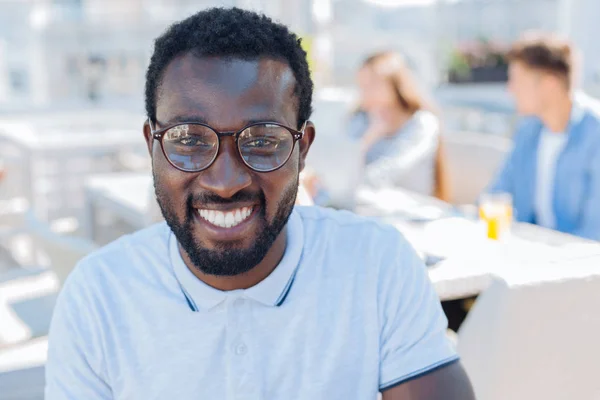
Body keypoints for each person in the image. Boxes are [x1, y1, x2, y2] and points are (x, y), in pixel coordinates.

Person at [45, 8, 474, 399]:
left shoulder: (378, 265)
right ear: (150, 146)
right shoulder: (97, 298)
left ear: (303, 149)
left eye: (263, 140)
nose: (226, 181)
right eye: (189, 139)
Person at [488, 33, 600, 240]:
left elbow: (595, 233)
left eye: (517, 80)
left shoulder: (595, 133)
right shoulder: (528, 130)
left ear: (549, 84)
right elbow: (497, 195)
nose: (509, 89)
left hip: (579, 264)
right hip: (530, 252)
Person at [349, 51, 449, 200]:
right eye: (362, 86)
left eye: (372, 85)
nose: (365, 94)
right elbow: (341, 165)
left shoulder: (421, 124)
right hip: (369, 206)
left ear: (395, 86)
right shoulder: (362, 120)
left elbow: (387, 173)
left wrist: (349, 184)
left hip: (411, 212)